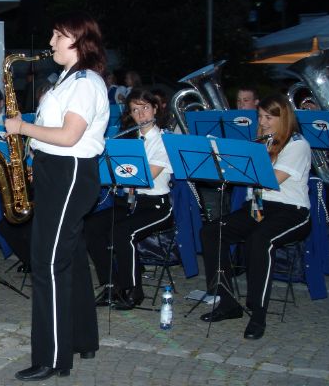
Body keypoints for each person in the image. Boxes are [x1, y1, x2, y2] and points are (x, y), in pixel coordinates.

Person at [4, 11, 108, 381]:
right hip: (56, 170)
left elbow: (69, 136)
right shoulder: (67, 80)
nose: (51, 43)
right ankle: (82, 338)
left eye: (58, 36)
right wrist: (35, 154)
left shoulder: (85, 82)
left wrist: (21, 127)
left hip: (70, 171)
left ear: (79, 40)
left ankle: (51, 358)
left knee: (47, 263)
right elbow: (54, 133)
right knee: (72, 257)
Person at [200, 94, 311, 340]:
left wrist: (237, 162)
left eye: (269, 118)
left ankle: (258, 314)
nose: (262, 122)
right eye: (260, 116)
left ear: (284, 118)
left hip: (291, 210)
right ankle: (227, 302)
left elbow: (272, 180)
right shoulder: (262, 141)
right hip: (258, 206)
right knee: (212, 231)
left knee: (259, 240)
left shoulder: (297, 144)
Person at [88, 88, 174, 309]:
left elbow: (146, 176)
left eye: (145, 108)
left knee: (123, 232)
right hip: (131, 204)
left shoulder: (164, 141)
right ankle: (111, 285)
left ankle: (133, 290)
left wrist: (119, 172)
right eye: (135, 110)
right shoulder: (129, 139)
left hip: (157, 206)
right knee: (91, 226)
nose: (141, 114)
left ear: (155, 109)